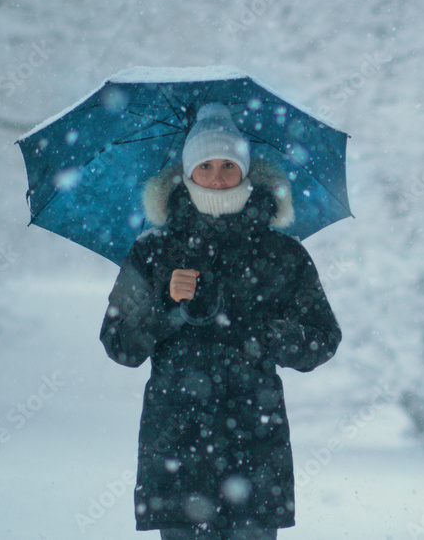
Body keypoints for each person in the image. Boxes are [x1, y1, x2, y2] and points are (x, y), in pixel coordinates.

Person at [100, 103, 341, 540]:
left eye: (228, 164)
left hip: (256, 452)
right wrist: (163, 304)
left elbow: (322, 340)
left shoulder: (282, 254)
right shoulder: (152, 252)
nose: (215, 176)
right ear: (187, 171)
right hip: (176, 454)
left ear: (246, 170)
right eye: (205, 164)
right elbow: (119, 344)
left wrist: (257, 332)